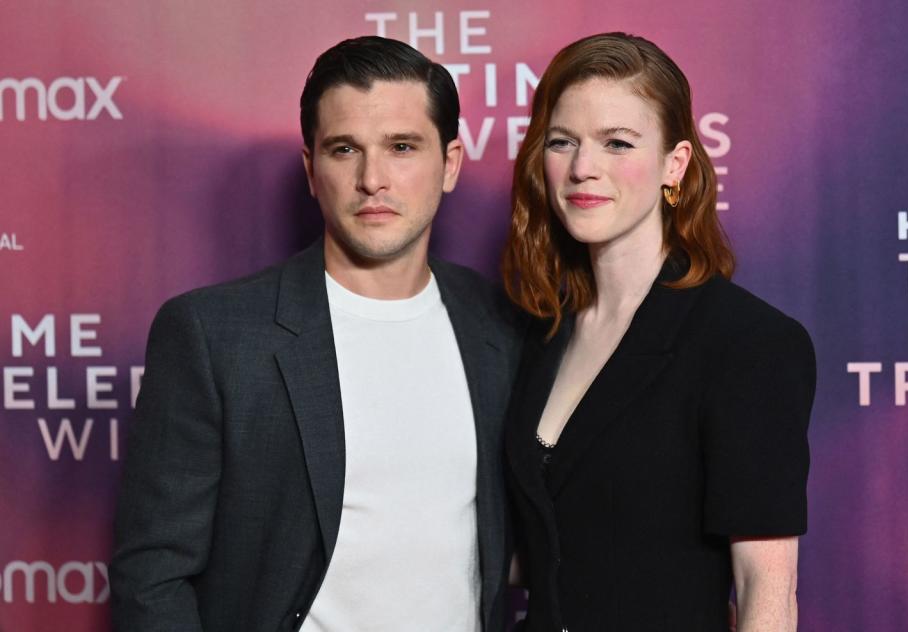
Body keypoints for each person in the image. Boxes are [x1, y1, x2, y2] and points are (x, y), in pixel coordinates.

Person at [110, 36, 522, 632]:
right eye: (344, 148)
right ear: (311, 169)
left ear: (450, 163)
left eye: (402, 147)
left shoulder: (499, 324)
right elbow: (152, 575)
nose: (372, 178)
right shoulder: (214, 335)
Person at [501, 33, 816, 631]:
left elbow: (765, 592)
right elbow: (550, 543)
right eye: (562, 142)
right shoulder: (539, 333)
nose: (582, 168)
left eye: (616, 143)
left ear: (675, 165)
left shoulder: (746, 344)